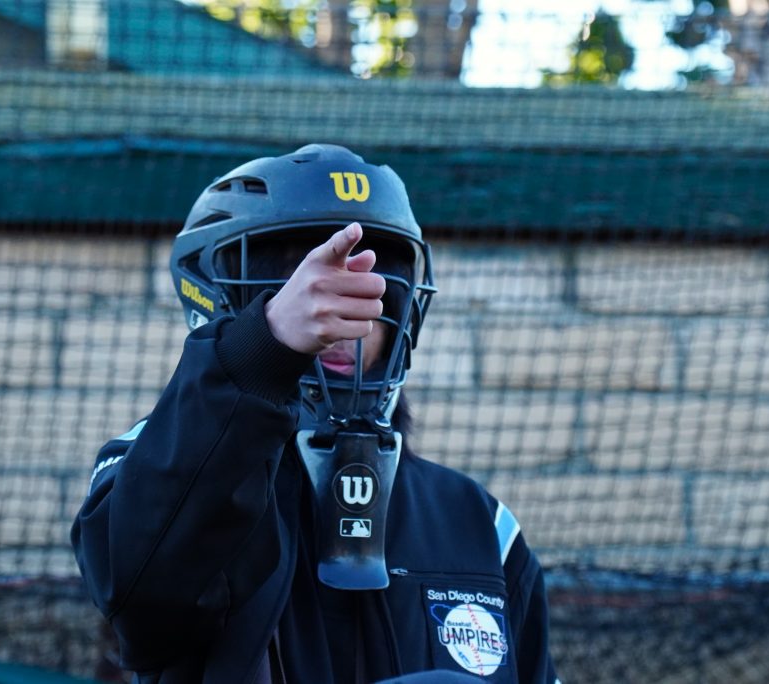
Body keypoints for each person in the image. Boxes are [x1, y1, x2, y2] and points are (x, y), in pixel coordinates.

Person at [71, 144, 560, 684]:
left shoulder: (479, 522)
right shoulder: (145, 464)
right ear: (222, 299)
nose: (341, 320)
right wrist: (265, 349)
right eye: (306, 289)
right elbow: (144, 604)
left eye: (365, 290)